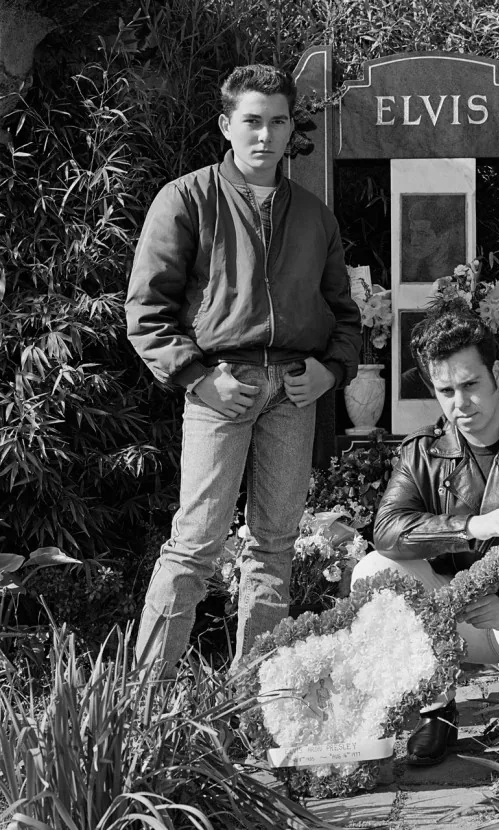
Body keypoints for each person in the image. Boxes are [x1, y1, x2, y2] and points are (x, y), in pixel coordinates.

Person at [125, 64, 362, 674]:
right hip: (218, 389)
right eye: (252, 121)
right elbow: (147, 311)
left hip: (295, 391)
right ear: (227, 125)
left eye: (278, 121)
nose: (265, 135)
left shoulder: (315, 216)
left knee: (274, 550)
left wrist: (332, 372)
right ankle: (140, 706)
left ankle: (254, 699)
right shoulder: (185, 199)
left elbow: (344, 315)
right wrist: (198, 378)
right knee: (195, 547)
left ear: (290, 129)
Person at [351, 303, 499, 766]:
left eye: (470, 385)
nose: (459, 403)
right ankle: (436, 709)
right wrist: (471, 527)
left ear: (496, 373)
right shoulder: (422, 453)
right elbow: (387, 532)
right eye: (445, 390)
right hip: (447, 612)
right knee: (372, 572)